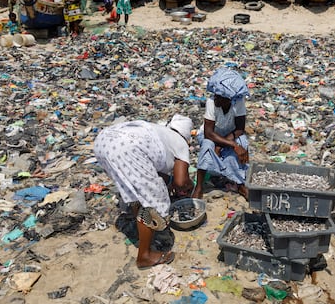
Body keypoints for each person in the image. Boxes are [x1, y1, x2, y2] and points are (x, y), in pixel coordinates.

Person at [94, 115, 194, 269]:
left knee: (134, 188)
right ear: (186, 136)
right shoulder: (180, 143)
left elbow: (154, 170)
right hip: (126, 149)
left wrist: (169, 183)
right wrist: (187, 185)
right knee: (154, 203)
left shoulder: (160, 131)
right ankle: (144, 257)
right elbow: (180, 183)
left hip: (104, 142)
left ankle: (139, 222)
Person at [193, 68, 250, 200]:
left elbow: (240, 128)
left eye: (220, 96)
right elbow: (208, 133)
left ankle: (240, 183)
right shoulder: (211, 102)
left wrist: (229, 144)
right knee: (207, 146)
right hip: (212, 135)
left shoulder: (238, 102)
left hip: (230, 134)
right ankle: (199, 186)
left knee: (242, 143)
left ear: (229, 99)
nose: (216, 98)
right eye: (216, 95)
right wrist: (230, 144)